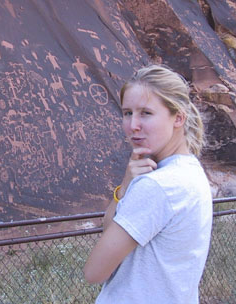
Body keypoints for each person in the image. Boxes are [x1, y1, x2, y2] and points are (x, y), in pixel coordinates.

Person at [84, 64, 213, 304]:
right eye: (127, 113)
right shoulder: (190, 171)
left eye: (146, 113)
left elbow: (94, 272)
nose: (133, 125)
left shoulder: (159, 186)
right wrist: (125, 185)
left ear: (178, 118)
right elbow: (110, 231)